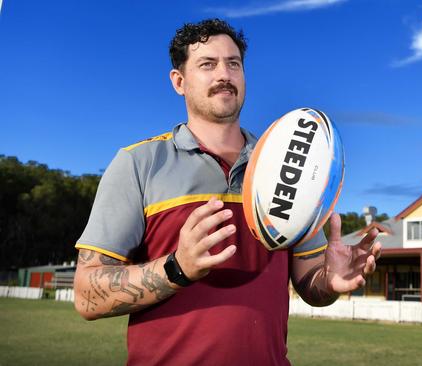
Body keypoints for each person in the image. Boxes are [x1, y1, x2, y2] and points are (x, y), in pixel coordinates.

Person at [72, 18, 381, 365]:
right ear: (179, 82)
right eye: (207, 64)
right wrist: (178, 268)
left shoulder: (286, 166)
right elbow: (86, 296)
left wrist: (331, 279)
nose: (224, 74)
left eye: (233, 63)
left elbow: (311, 283)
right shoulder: (139, 163)